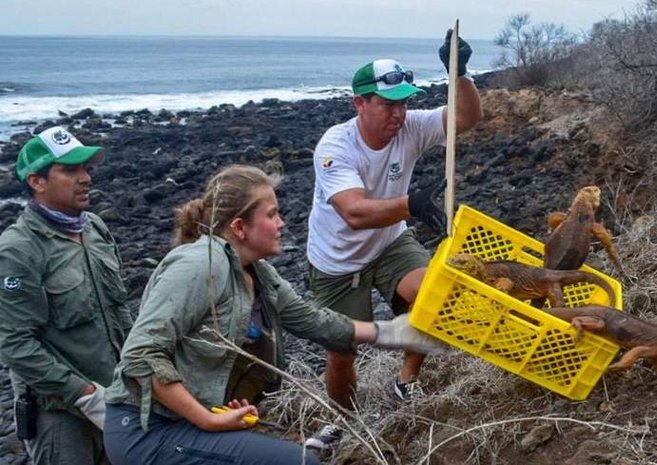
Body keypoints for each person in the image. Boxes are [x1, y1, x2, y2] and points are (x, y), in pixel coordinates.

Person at [103, 164, 442, 465]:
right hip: (148, 431)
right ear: (239, 227)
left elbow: (311, 320)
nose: (282, 223)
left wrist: (392, 333)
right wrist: (206, 419)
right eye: (271, 214)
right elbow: (141, 355)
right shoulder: (199, 265)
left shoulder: (257, 273)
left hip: (183, 422)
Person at [306, 30, 482, 410]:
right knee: (342, 351)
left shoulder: (411, 127)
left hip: (389, 243)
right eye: (387, 104)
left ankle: (406, 379)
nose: (398, 113)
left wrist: (461, 73)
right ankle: (345, 417)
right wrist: (413, 205)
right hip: (337, 262)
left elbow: (466, 117)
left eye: (403, 103)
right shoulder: (336, 146)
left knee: (433, 297)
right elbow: (353, 212)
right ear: (359, 103)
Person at [0, 126, 131, 465]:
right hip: (60, 418)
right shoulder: (18, 250)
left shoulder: (94, 229)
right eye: (70, 170)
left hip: (117, 401)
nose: (85, 178)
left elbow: (119, 312)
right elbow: (16, 345)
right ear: (36, 181)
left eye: (86, 168)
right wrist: (85, 395)